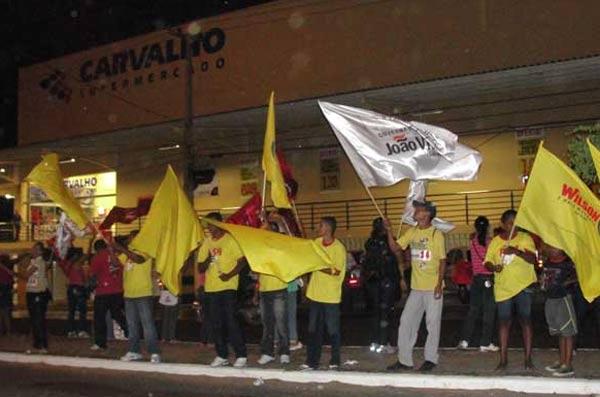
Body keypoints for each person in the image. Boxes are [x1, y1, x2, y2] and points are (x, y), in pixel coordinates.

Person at [386, 200, 446, 372]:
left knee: (432, 323)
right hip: (417, 288)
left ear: (426, 214)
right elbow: (396, 248)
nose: (414, 211)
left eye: (418, 209)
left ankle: (430, 358)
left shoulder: (436, 234)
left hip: (432, 286)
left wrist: (439, 284)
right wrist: (389, 230)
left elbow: (442, 260)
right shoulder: (412, 231)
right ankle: (404, 360)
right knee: (406, 321)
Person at [484, 209, 537, 370]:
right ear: (503, 224)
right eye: (509, 223)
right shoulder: (495, 241)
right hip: (503, 288)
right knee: (503, 323)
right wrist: (494, 267)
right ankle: (503, 359)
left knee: (526, 322)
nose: (513, 226)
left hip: (523, 286)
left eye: (516, 223)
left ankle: (528, 359)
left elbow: (533, 259)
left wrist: (516, 251)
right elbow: (487, 262)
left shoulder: (525, 238)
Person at [197, 212, 248, 368]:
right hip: (211, 288)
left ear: (219, 224)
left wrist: (229, 275)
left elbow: (242, 262)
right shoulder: (207, 242)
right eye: (207, 225)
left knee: (231, 321)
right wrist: (208, 258)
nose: (209, 228)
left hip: (228, 287)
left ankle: (241, 355)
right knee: (216, 323)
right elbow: (200, 267)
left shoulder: (231, 240)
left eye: (211, 224)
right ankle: (222, 355)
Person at [301, 216, 347, 370]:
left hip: (331, 296)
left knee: (333, 330)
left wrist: (318, 266)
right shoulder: (317, 243)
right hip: (315, 294)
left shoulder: (338, 248)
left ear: (328, 228)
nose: (317, 228)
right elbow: (306, 252)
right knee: (313, 330)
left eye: (320, 226)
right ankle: (312, 360)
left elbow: (336, 271)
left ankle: (335, 360)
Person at [113, 231, 161, 363]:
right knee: (132, 325)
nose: (129, 239)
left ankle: (154, 352)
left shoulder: (146, 250)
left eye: (132, 237)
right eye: (129, 237)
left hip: (143, 293)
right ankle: (134, 351)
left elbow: (139, 260)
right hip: (129, 294)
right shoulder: (128, 253)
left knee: (147, 325)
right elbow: (116, 264)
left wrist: (121, 248)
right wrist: (112, 249)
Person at [457, 216, 498, 352]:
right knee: (489, 312)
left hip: (476, 280)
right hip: (488, 279)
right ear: (488, 227)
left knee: (473, 311)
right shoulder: (491, 242)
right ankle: (484, 343)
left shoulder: (472, 241)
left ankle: (464, 341)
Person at [256, 221, 290, 365]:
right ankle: (267, 352)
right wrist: (256, 290)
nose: (262, 232)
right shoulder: (260, 248)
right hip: (264, 289)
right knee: (267, 324)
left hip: (279, 289)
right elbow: (257, 270)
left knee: (281, 323)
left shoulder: (280, 246)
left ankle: (284, 352)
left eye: (265, 230)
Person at [541, 245, 578, 377]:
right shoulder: (548, 262)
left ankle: (568, 365)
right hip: (551, 298)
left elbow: (579, 275)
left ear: (561, 249)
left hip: (563, 299)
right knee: (559, 331)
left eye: (553, 247)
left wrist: (568, 282)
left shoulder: (568, 264)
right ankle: (562, 360)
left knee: (567, 332)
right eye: (549, 247)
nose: (550, 249)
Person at [363, 217, 399, 354]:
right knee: (385, 312)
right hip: (386, 280)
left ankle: (375, 342)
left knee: (376, 312)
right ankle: (384, 343)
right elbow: (394, 252)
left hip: (373, 281)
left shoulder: (369, 242)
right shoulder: (386, 241)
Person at [89, 239, 128, 351]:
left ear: (96, 249)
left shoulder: (97, 257)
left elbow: (92, 275)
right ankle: (131, 334)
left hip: (103, 291)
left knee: (100, 318)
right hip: (118, 291)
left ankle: (100, 343)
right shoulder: (117, 256)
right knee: (118, 315)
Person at [21, 242, 51, 353]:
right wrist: (27, 257)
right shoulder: (33, 261)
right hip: (31, 293)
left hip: (38, 294)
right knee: (34, 319)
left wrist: (18, 273)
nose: (32, 250)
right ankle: (38, 343)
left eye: (35, 249)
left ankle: (42, 344)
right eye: (32, 248)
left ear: (40, 251)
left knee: (38, 319)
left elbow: (26, 274)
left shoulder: (39, 262)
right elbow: (23, 266)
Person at [59, 247, 89, 338]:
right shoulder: (77, 263)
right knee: (82, 311)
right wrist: (90, 242)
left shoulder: (67, 264)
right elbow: (87, 256)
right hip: (79, 287)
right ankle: (81, 330)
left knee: (71, 311)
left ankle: (71, 331)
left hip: (71, 287)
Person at [0, 254, 14, 335]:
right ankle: (8, 331)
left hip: (4, 289)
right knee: (6, 312)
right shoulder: (8, 269)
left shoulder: (5, 269)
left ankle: (3, 331)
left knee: (3, 312)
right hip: (7, 290)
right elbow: (11, 281)